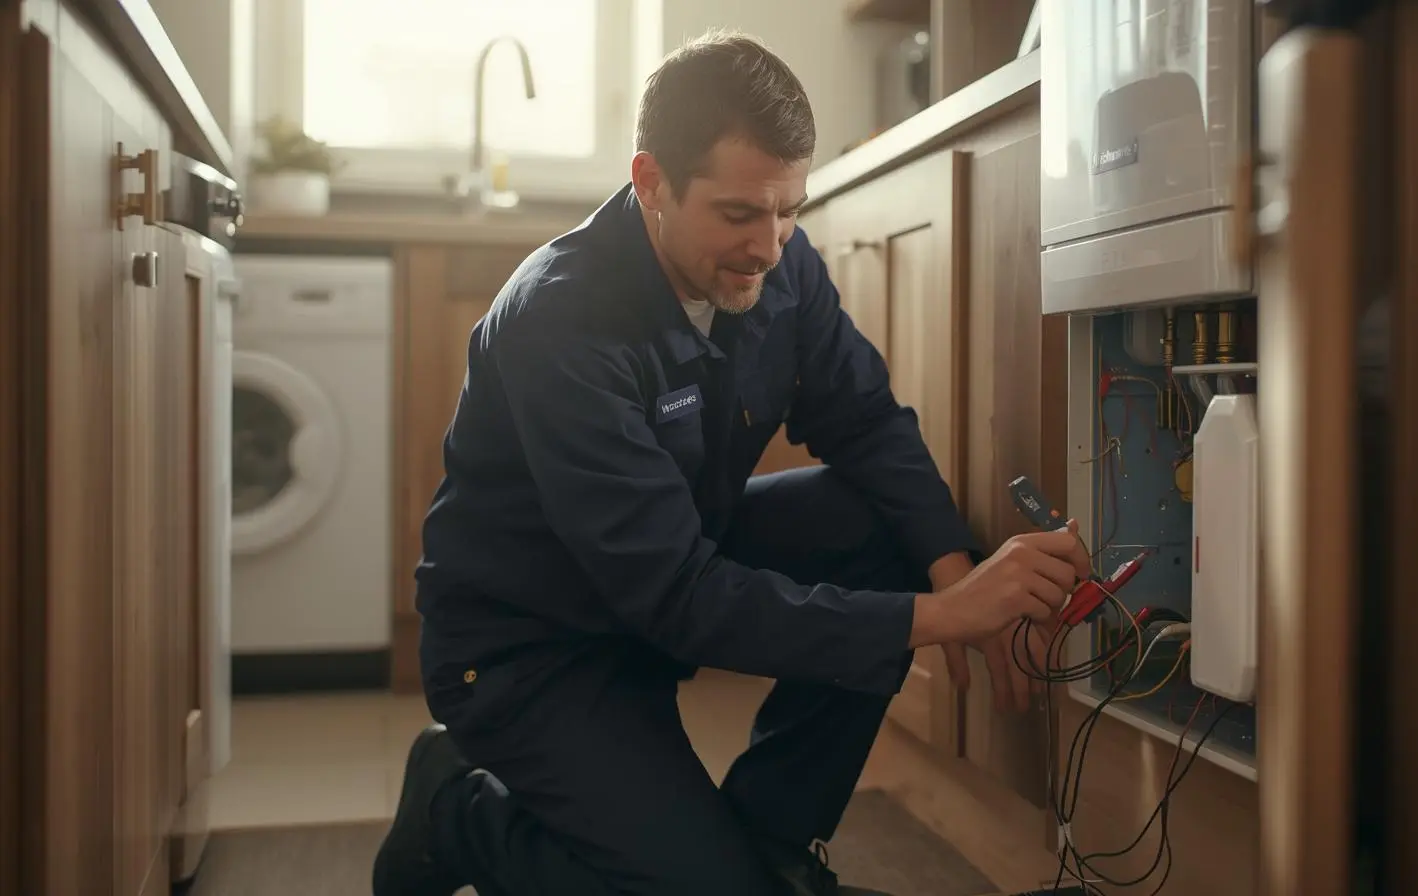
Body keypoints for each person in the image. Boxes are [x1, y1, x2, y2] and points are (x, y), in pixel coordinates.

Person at [372, 29, 1092, 896]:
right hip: (531, 651)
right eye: (741, 215)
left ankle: (770, 842)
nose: (770, 243)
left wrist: (950, 572)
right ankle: (459, 812)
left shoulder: (779, 267)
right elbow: (678, 596)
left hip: (664, 580)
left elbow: (863, 419)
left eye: (789, 209)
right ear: (652, 184)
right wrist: (946, 618)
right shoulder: (558, 323)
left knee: (883, 523)